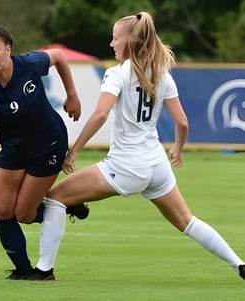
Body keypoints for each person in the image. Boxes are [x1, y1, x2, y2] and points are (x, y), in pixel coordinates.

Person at [45, 11, 245, 280]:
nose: (111, 44)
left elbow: (101, 114)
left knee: (54, 197)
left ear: (129, 41)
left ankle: (43, 270)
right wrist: (178, 148)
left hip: (126, 165)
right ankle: (238, 264)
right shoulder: (162, 74)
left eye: (115, 39)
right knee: (187, 221)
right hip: (156, 164)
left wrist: (76, 150)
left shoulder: (116, 74)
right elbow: (183, 122)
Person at [0, 16, 89, 281]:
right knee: (3, 213)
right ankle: (23, 270)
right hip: (14, 149)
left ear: (8, 49)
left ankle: (65, 205)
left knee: (25, 214)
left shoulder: (28, 64)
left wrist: (72, 94)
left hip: (49, 144)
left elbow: (59, 57)